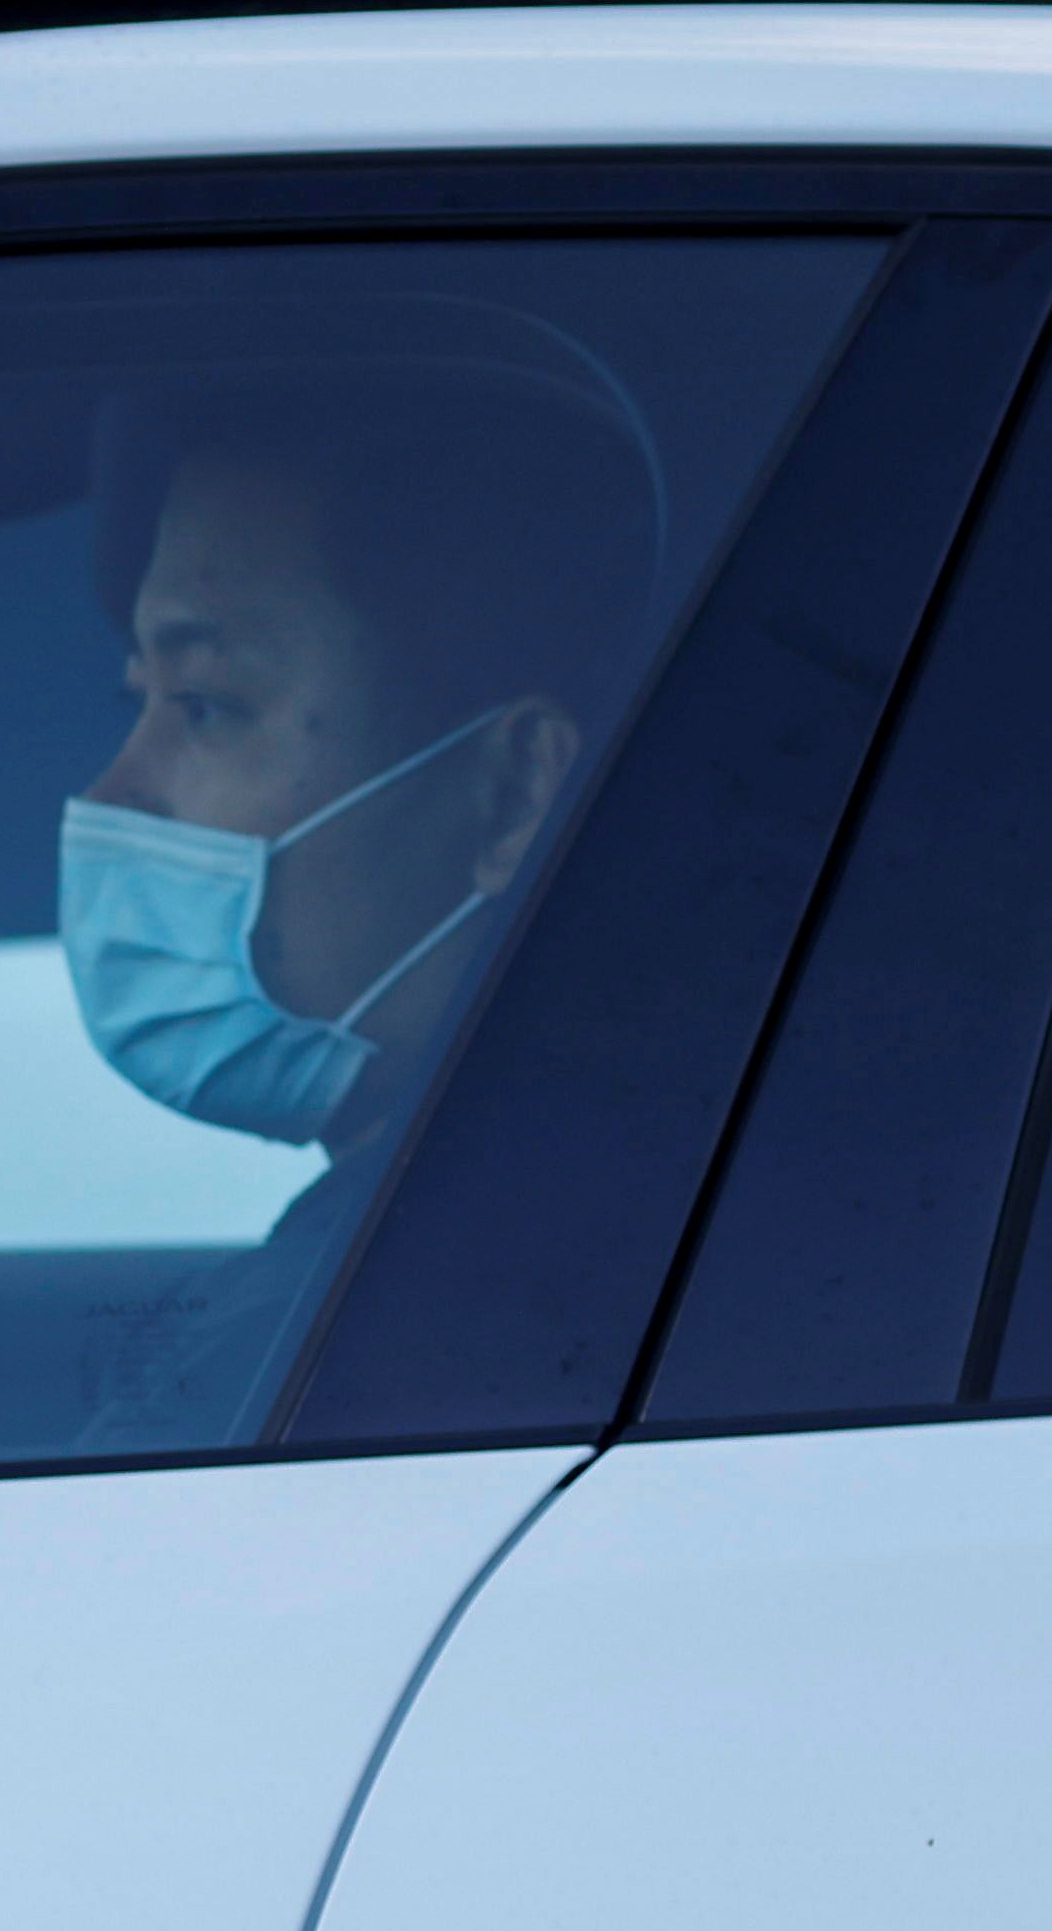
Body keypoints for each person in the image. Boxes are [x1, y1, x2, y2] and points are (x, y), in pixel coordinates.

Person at [52, 370, 652, 1434]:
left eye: (205, 705)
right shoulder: (641, 1230)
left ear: (513, 795)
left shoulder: (341, 1361)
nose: (109, 797)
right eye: (133, 700)